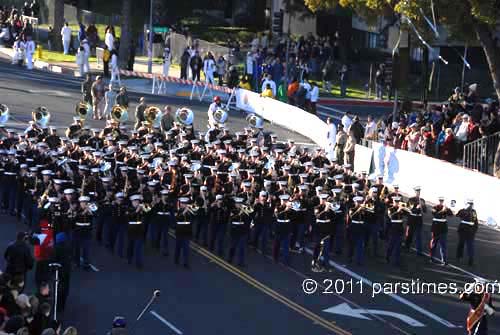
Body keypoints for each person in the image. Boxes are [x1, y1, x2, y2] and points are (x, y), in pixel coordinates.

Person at [430, 197, 453, 265]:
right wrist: (443, 210)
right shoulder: (434, 207)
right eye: (440, 201)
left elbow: (451, 215)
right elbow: (436, 215)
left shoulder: (445, 208)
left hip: (443, 228)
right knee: (434, 244)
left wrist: (448, 209)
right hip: (435, 228)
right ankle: (431, 257)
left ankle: (444, 260)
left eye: (442, 201)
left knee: (443, 245)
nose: (441, 202)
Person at [456, 199, 478, 266]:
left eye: (471, 204)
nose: (470, 205)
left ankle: (471, 260)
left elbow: (475, 222)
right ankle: (459, 257)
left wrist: (474, 230)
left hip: (470, 231)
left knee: (470, 246)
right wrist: (465, 210)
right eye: (469, 203)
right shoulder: (462, 210)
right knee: (461, 244)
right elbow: (458, 215)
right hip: (463, 230)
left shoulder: (474, 212)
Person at [404, 186, 426, 255]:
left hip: (419, 219)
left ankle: (419, 251)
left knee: (419, 236)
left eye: (419, 192)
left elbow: (425, 211)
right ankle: (407, 247)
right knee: (409, 235)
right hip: (412, 219)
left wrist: (423, 206)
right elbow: (409, 210)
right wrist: (416, 208)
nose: (418, 193)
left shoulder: (422, 200)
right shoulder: (411, 200)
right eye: (417, 191)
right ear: (415, 192)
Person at [126, 195, 146, 269]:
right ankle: (129, 257)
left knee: (138, 247)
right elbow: (129, 216)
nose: (136, 203)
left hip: (139, 229)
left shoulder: (141, 208)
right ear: (132, 202)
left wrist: (144, 206)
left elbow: (149, 211)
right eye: (135, 201)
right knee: (130, 245)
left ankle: (138, 262)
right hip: (131, 229)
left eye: (137, 201)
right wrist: (137, 210)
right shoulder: (128, 208)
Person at [175, 197, 194, 269]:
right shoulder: (177, 210)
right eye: (182, 203)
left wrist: (190, 211)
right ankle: (176, 259)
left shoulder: (189, 211)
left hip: (187, 232)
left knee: (186, 248)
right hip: (179, 232)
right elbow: (177, 218)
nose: (184, 205)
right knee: (178, 247)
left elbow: (195, 215)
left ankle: (186, 263)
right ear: (180, 204)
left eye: (185, 204)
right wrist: (184, 212)